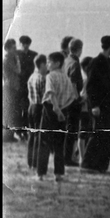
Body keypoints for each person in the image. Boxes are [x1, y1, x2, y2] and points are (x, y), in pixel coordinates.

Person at [37, 52, 77, 182]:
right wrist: (63, 108)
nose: (47, 64)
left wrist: (56, 108)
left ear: (57, 63)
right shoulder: (66, 78)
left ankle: (41, 173)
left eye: (49, 62)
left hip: (50, 109)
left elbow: (50, 92)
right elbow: (73, 96)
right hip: (63, 111)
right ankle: (58, 173)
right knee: (59, 144)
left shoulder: (51, 76)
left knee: (44, 142)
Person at [81, 35, 110, 172]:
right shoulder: (96, 63)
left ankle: (101, 166)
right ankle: (87, 165)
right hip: (99, 107)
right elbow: (90, 87)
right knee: (97, 134)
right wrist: (95, 105)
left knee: (107, 136)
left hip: (109, 105)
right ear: (109, 47)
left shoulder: (109, 63)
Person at [63, 39, 85, 166]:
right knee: (72, 130)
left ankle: (67, 157)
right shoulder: (75, 64)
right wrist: (78, 99)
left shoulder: (66, 61)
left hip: (64, 100)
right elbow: (73, 83)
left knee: (68, 129)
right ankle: (68, 158)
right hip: (72, 101)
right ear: (79, 49)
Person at [26, 54, 48, 168]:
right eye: (46, 64)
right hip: (39, 107)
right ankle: (35, 162)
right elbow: (44, 97)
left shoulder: (32, 76)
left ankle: (30, 161)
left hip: (31, 107)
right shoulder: (42, 78)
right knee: (38, 136)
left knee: (31, 135)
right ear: (42, 64)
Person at [16, 36, 38, 141]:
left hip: (30, 85)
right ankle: (19, 132)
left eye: (27, 44)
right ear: (20, 43)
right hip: (19, 86)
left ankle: (26, 130)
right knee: (18, 108)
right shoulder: (15, 54)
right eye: (24, 44)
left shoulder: (34, 55)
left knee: (28, 109)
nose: (25, 46)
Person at [2, 39, 22, 141]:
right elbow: (18, 70)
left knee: (10, 110)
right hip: (11, 87)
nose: (15, 50)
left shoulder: (7, 59)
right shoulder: (8, 59)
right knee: (10, 110)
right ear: (8, 49)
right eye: (13, 48)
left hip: (10, 86)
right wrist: (17, 59)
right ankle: (7, 135)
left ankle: (8, 134)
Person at [76, 56, 95, 165]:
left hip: (86, 110)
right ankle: (82, 158)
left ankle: (82, 157)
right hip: (86, 110)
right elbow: (83, 95)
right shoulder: (87, 81)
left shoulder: (85, 80)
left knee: (85, 134)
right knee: (83, 134)